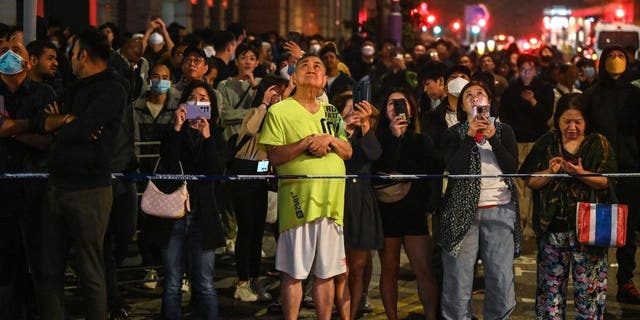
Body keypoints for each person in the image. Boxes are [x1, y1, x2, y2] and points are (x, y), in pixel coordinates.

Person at [32, 28, 128, 320]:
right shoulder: (73, 88)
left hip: (90, 191)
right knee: (49, 271)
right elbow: (42, 120)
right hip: (56, 187)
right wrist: (63, 121)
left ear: (83, 55)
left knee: (89, 271)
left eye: (71, 54)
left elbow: (84, 128)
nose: (67, 61)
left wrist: (63, 125)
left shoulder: (113, 88)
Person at [258, 53, 353, 320]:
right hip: (298, 204)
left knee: (327, 273)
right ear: (294, 76)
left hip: (332, 206)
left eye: (317, 67)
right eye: (305, 66)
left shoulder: (332, 112)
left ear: (324, 79)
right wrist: (306, 142)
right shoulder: (279, 111)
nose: (311, 69)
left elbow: (347, 151)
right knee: (294, 273)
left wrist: (329, 140)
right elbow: (274, 156)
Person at [519, 93, 615, 318]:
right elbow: (530, 180)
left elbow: (606, 181)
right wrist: (551, 172)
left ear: (586, 121)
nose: (572, 127)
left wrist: (580, 173)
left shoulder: (598, 143)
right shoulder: (547, 142)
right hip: (553, 230)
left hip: (589, 231)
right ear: (557, 120)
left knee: (588, 295)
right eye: (566, 121)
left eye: (578, 122)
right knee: (550, 295)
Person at [439, 80, 520, 320]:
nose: (475, 97)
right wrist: (469, 135)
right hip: (462, 211)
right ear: (462, 106)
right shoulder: (454, 133)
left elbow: (512, 168)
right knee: (458, 279)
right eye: (468, 95)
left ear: (489, 101)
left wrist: (493, 138)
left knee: (500, 278)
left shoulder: (504, 130)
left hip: (500, 208)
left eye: (480, 93)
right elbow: (454, 169)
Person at [146, 80, 226, 319]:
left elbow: (215, 170)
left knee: (205, 283)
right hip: (173, 213)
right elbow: (169, 162)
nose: (198, 102)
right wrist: (178, 128)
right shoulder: (173, 132)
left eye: (203, 99)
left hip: (203, 213)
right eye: (193, 98)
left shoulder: (216, 134)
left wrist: (207, 135)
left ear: (211, 105)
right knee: (172, 283)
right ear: (183, 103)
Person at [373, 87, 440, 319]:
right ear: (384, 110)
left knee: (424, 269)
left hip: (414, 213)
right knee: (389, 270)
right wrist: (393, 136)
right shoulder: (378, 138)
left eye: (402, 103)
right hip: (387, 212)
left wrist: (429, 205)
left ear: (411, 108)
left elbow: (434, 171)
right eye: (391, 103)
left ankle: (431, 316)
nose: (397, 107)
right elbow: (383, 165)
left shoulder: (421, 139)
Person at [0, 38, 56, 319]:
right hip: (3, 192)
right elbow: (43, 128)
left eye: (16, 51)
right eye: (2, 51)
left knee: (41, 260)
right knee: (6, 264)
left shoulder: (43, 93)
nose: (8, 56)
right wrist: (35, 125)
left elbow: (48, 139)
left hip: (36, 189)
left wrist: (12, 128)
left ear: (28, 61)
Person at [583, 45, 640, 304]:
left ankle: (625, 279)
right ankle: (595, 280)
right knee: (600, 225)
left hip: (631, 169)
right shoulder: (592, 94)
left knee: (629, 227)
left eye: (620, 57)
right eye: (611, 56)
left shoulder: (635, 94)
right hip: (600, 170)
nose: (616, 61)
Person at [230, 80, 283, 303]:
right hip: (244, 171)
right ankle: (242, 282)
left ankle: (253, 278)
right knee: (246, 230)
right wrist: (264, 104)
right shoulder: (255, 112)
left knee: (258, 232)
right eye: (274, 92)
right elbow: (250, 130)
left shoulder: (280, 118)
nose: (277, 97)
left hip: (262, 175)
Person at [336, 95, 383, 319]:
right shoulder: (335, 133)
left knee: (358, 267)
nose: (353, 113)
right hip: (337, 200)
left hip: (361, 201)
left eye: (358, 109)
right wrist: (343, 129)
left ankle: (352, 313)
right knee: (340, 270)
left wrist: (365, 125)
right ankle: (342, 312)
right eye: (348, 109)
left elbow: (375, 154)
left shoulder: (367, 134)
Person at [499, 54, 554, 239]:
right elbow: (505, 116)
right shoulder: (511, 90)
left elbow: (546, 114)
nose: (526, 73)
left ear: (535, 70)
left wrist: (533, 102)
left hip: (537, 141)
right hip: (516, 141)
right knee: (518, 182)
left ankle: (532, 222)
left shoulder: (544, 89)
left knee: (534, 181)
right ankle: (520, 221)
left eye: (529, 69)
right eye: (522, 69)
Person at [217, 43, 262, 141]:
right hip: (230, 138)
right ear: (236, 62)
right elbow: (225, 114)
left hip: (254, 140)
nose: (248, 62)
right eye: (243, 58)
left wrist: (255, 86)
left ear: (257, 63)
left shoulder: (261, 84)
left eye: (252, 59)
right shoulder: (224, 85)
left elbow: (264, 112)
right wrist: (253, 113)